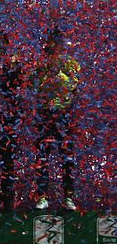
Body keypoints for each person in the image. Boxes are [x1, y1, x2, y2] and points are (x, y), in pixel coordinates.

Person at [34, 28, 80, 211]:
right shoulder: (41, 64)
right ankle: (42, 197)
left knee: (67, 157)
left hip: (63, 113)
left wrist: (59, 75)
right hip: (45, 113)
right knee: (42, 156)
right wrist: (47, 75)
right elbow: (33, 83)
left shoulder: (71, 64)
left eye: (57, 43)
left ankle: (69, 196)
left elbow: (73, 85)